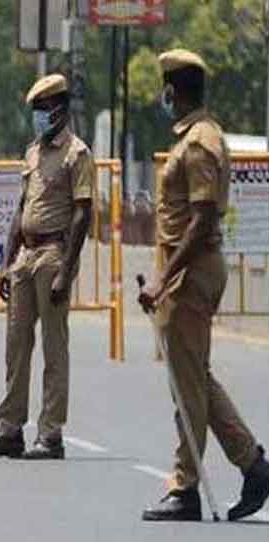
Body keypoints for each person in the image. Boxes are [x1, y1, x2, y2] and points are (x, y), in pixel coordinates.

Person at [138, 49, 269, 522]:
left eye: (165, 87)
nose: (164, 96)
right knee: (194, 379)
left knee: (187, 388)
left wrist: (162, 279)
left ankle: (185, 487)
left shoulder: (200, 142)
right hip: (187, 273)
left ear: (174, 90)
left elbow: (202, 218)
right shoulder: (197, 136)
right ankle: (253, 465)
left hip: (190, 275)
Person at [0, 74, 94, 461]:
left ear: (59, 110)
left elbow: (83, 214)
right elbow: (20, 208)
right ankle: (10, 429)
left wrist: (66, 271)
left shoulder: (78, 154)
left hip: (54, 254)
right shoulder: (33, 152)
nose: (38, 118)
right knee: (16, 344)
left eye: (42, 110)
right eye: (35, 111)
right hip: (25, 256)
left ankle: (51, 433)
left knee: (54, 349)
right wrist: (5, 263)